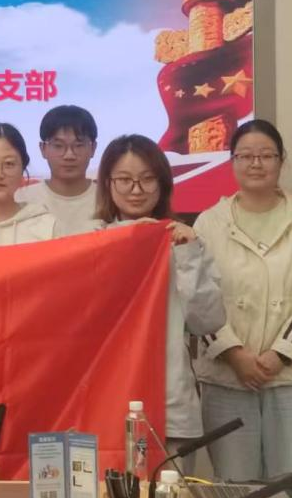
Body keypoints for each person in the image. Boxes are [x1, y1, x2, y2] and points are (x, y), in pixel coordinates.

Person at [194, 120, 292, 480]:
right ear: (232, 161)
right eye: (245, 156)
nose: (255, 164)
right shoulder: (209, 223)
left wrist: (280, 354)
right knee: (235, 490)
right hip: (227, 377)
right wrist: (233, 353)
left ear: (281, 160)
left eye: (266, 155)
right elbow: (196, 297)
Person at [93, 134, 226, 461]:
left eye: (147, 179)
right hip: (106, 402)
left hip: (171, 406)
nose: (136, 190)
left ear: (163, 183)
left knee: (172, 491)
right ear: (108, 183)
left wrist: (188, 255)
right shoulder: (92, 241)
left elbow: (208, 321)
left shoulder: (185, 241)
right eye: (124, 179)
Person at [16, 105, 99, 236]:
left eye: (78, 145)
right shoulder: (21, 199)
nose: (69, 155)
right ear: (43, 149)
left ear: (93, 148)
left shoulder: (108, 199)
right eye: (58, 146)